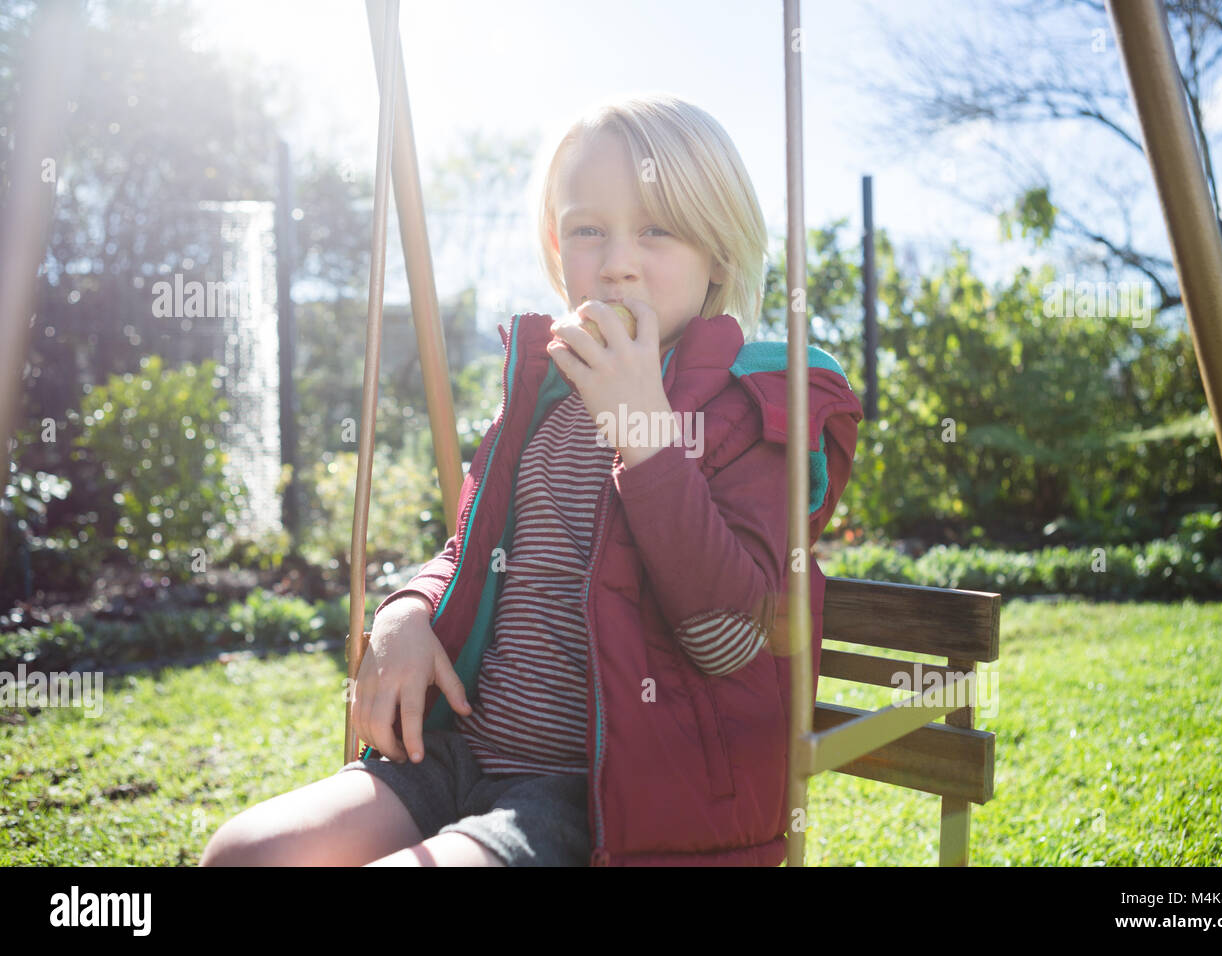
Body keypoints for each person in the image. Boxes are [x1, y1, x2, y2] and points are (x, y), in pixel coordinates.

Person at [200, 93, 862, 867]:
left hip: (594, 799)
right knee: (243, 853)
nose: (617, 260)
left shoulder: (751, 412)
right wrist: (407, 610)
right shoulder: (545, 400)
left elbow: (727, 638)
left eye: (657, 228)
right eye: (588, 229)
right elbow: (471, 552)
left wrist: (645, 437)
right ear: (557, 244)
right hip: (460, 756)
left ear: (718, 254)